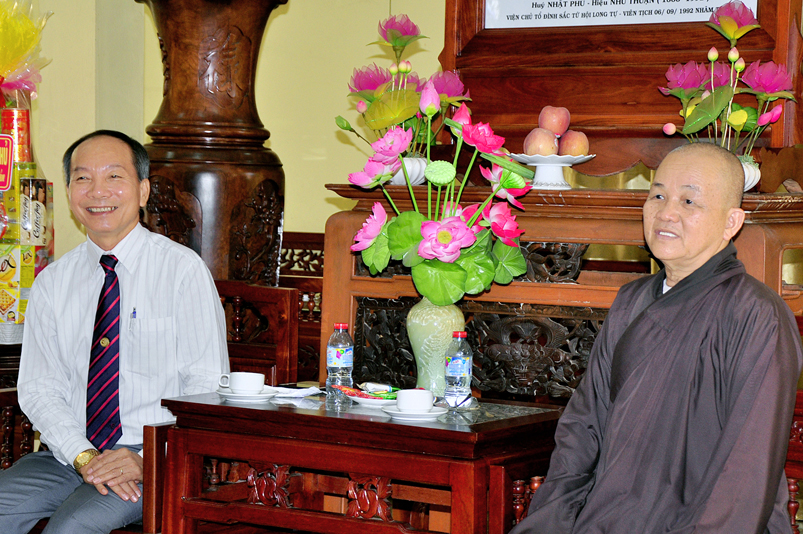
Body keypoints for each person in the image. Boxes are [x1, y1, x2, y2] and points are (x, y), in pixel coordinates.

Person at [512, 143, 803, 534]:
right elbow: (583, 429)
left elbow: (745, 473)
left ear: (731, 222)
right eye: (658, 196)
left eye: (689, 201)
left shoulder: (757, 314)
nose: (667, 213)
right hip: (611, 519)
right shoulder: (631, 301)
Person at [0, 130, 229, 533]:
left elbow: (208, 387)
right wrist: (83, 455)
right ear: (69, 193)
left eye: (113, 176)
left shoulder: (182, 271)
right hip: (67, 455)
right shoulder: (52, 282)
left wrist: (148, 458)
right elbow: (39, 388)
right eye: (83, 178)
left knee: (72, 527)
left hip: (153, 456)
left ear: (143, 191)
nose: (97, 191)